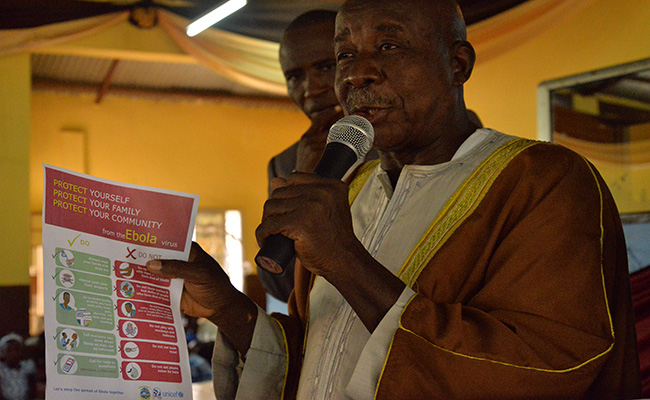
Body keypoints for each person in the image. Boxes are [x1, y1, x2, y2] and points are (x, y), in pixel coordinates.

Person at [147, 0, 641, 398]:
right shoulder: (348, 190)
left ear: (458, 64)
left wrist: (345, 260)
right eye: (345, 54)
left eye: (388, 45)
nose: (357, 74)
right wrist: (226, 306)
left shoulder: (545, 181)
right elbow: (319, 356)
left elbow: (543, 368)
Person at [260, 10, 379, 302]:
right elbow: (279, 286)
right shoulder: (285, 164)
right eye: (295, 76)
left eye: (326, 67)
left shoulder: (403, 141)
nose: (311, 89)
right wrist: (302, 181)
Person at [0, 334, 36, 400]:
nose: (14, 354)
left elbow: (32, 389)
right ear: (3, 353)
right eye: (9, 351)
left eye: (16, 350)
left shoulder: (27, 367)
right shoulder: (1, 370)